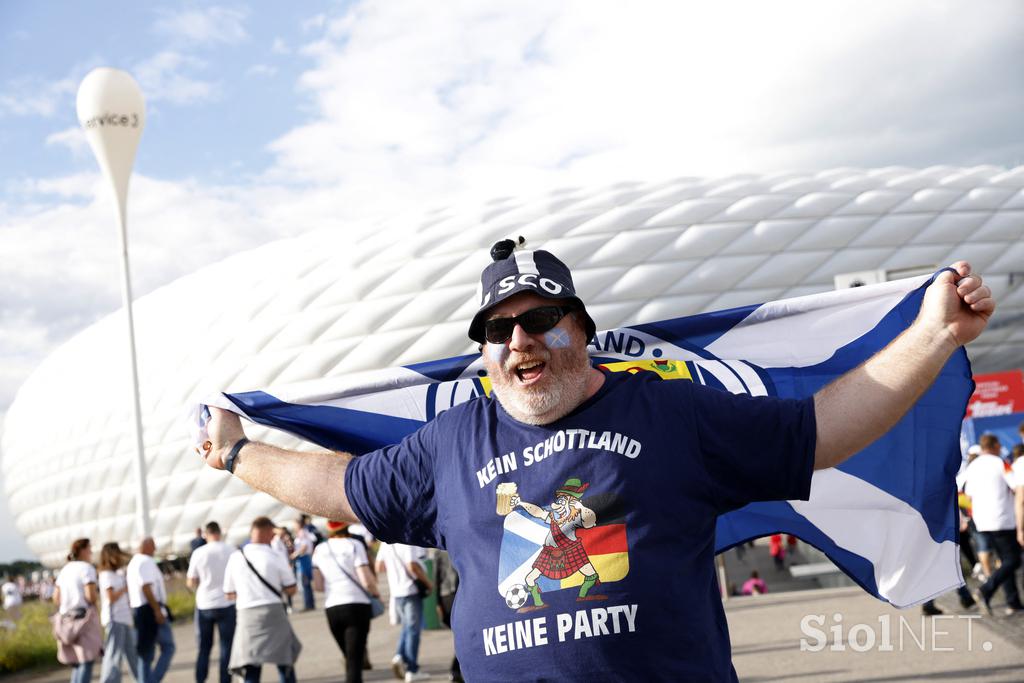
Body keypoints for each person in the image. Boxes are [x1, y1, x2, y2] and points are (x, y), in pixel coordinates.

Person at [199, 244, 994, 682]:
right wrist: (238, 451)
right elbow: (335, 483)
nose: (522, 341)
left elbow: (821, 430)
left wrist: (936, 335)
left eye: (542, 318)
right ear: (483, 351)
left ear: (581, 328)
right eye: (500, 329)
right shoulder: (448, 444)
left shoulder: (670, 408)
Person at [223, 516, 301, 683]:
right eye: (272, 534)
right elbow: (292, 589)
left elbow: (229, 593)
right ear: (267, 532)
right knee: (284, 661)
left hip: (246, 614)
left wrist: (248, 592)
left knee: (250, 665)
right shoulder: (275, 556)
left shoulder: (236, 557)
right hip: (273, 611)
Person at [311, 520, 381, 682]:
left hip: (332, 607)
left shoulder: (320, 549)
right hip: (356, 604)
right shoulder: (354, 545)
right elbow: (366, 579)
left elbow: (319, 585)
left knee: (349, 656)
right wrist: (376, 593)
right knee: (354, 660)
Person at [962, 433, 1022, 615]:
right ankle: (985, 589)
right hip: (1002, 518)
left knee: (1005, 560)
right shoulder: (1000, 462)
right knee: (1013, 560)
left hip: (982, 520)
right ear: (995, 445)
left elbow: (968, 493)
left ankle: (1012, 601)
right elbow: (1015, 485)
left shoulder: (973, 467)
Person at [187, 521, 236, 683]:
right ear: (219, 532)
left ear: (206, 534)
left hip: (205, 604)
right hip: (227, 603)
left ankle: (200, 679)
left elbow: (191, 581)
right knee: (226, 647)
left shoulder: (199, 553)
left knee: (204, 647)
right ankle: (224, 680)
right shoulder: (231, 551)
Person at [376, 543, 432, 682]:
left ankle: (399, 656)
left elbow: (379, 567)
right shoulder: (406, 541)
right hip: (410, 590)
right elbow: (412, 565)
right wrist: (428, 583)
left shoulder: (385, 542)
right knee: (414, 630)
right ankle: (412, 669)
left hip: (396, 591)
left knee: (407, 627)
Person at [53, 538, 102, 683]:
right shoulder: (87, 568)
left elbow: (56, 598)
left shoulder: (65, 569)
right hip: (83, 619)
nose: (91, 552)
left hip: (66, 619)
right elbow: (91, 596)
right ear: (82, 550)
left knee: (76, 662)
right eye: (89, 548)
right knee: (86, 660)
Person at [127, 538, 175, 683]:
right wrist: (157, 610)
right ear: (146, 546)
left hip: (139, 609)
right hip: (149, 608)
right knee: (168, 646)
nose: (155, 550)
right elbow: (146, 587)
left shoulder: (134, 562)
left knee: (146, 652)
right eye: (153, 547)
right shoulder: (145, 561)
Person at [98, 542, 138, 683]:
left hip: (124, 618)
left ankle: (142, 679)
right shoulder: (106, 575)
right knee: (114, 656)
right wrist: (125, 589)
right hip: (115, 619)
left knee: (132, 654)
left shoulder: (117, 573)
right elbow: (111, 597)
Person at [434, 551, 462, 682]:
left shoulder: (438, 551)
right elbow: (436, 576)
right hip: (454, 595)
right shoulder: (459, 543)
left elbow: (436, 577)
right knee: (461, 636)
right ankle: (455, 670)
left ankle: (456, 670)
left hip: (446, 595)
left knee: (460, 636)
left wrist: (437, 602)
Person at [290, 519, 315, 611]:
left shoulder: (302, 533)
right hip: (304, 559)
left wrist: (294, 555)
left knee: (304, 583)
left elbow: (304, 547)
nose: (293, 526)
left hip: (303, 559)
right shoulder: (303, 532)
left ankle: (308, 604)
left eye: (294, 524)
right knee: (306, 583)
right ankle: (310, 603)